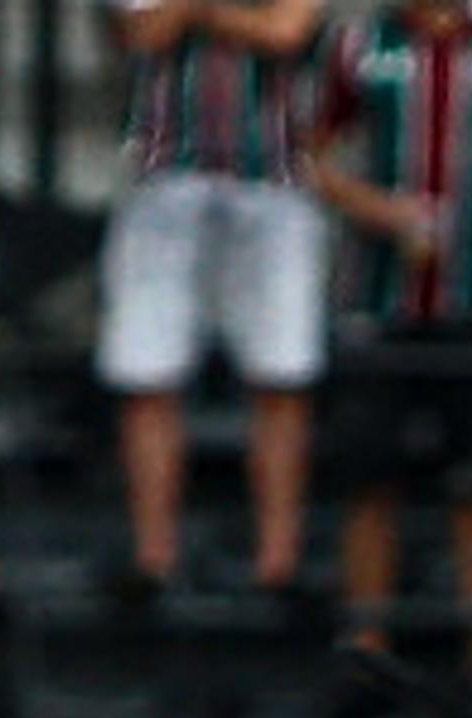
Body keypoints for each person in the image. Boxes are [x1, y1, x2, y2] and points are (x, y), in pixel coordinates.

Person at [310, 0, 472, 697]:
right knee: (368, 476)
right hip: (378, 300)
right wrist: (375, 208)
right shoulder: (361, 45)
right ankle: (366, 641)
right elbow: (309, 152)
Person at [93, 0, 330, 606]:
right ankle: (154, 558)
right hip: (164, 177)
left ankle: (278, 561)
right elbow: (143, 33)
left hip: (274, 177)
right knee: (145, 373)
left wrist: (197, 10)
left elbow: (289, 32)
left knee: (283, 374)